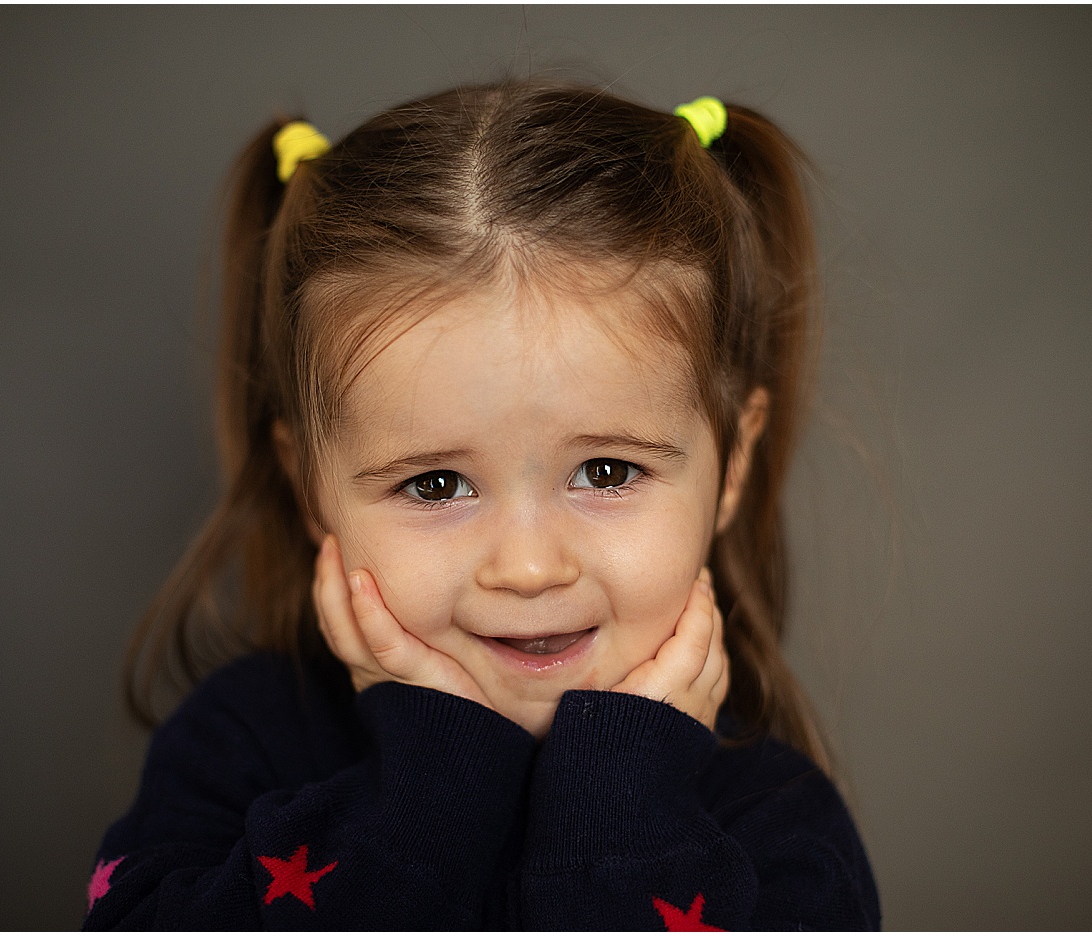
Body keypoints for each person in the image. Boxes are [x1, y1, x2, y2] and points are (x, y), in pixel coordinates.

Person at [85, 79, 880, 931]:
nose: (529, 568)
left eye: (608, 472)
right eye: (435, 485)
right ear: (308, 482)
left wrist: (619, 810)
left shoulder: (780, 825)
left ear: (732, 468)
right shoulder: (237, 746)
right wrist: (430, 788)